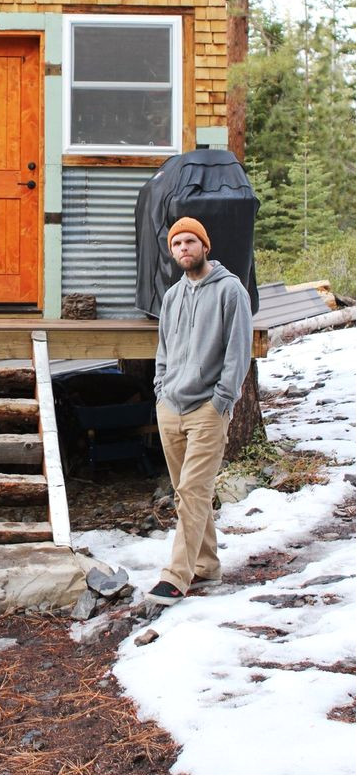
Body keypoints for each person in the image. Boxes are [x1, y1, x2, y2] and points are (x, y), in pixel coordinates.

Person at [147, 217, 253, 606]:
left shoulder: (230, 291)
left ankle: (176, 576)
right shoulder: (173, 296)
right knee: (187, 492)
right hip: (170, 407)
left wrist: (222, 401)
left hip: (208, 409)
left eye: (191, 241)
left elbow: (238, 351)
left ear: (205, 246)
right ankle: (206, 565)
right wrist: (161, 391)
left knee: (193, 490)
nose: (184, 249)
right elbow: (162, 351)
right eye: (177, 244)